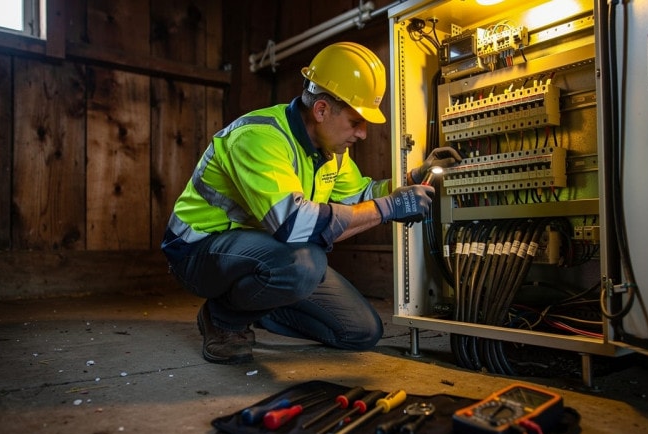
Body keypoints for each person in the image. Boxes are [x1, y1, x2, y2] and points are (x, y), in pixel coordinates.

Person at [161, 42, 461, 365]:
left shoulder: (331, 152)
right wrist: (389, 208)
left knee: (360, 331)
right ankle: (222, 318)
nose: (362, 134)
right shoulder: (259, 137)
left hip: (265, 255)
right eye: (356, 121)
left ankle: (255, 301)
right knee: (306, 262)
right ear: (321, 110)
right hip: (198, 251)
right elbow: (293, 225)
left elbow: (362, 195)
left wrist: (414, 178)